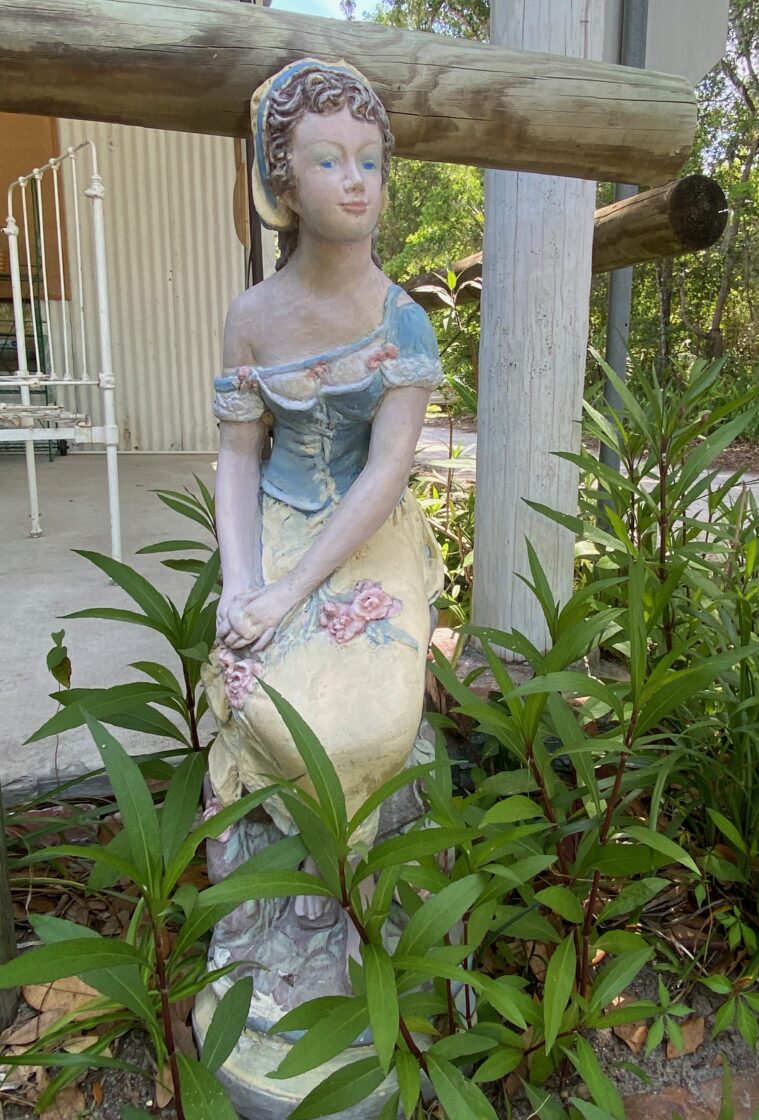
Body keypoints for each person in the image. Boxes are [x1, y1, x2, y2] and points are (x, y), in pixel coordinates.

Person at [201, 59, 444, 961]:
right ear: (284, 182)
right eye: (329, 160)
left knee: (372, 717)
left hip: (361, 537)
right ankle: (289, 871)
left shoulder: (403, 322)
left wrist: (290, 591)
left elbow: (384, 476)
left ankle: (354, 869)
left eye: (369, 160)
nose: (355, 181)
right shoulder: (253, 317)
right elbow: (238, 454)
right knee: (260, 695)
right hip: (279, 519)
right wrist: (241, 584)